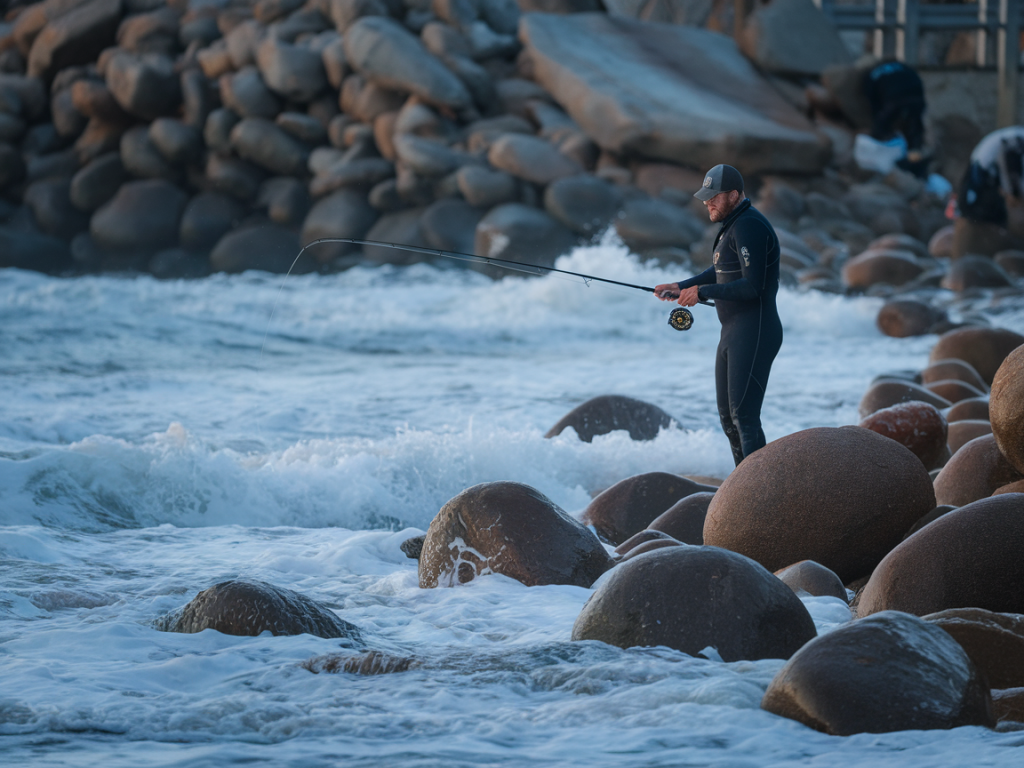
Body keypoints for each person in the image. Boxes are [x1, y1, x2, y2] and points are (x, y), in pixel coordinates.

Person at [654, 164, 782, 467]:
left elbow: (752, 285)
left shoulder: (749, 225)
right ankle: (742, 488)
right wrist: (683, 286)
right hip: (734, 331)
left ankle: (757, 493)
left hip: (755, 329)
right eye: (705, 197)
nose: (707, 202)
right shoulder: (735, 225)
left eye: (714, 196)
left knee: (744, 418)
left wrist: (702, 293)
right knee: (728, 419)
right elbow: (722, 270)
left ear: (734, 195)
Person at [862, 60, 928, 177]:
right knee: (914, 129)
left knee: (881, 130)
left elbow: (872, 103)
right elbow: (918, 81)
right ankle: (915, 157)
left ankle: (887, 166)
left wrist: (878, 122)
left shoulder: (870, 74)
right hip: (915, 96)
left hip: (893, 100)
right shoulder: (903, 66)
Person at [957, 125, 1024, 227]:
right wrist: (1013, 192)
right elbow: (1009, 156)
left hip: (987, 172)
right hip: (985, 172)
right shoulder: (1016, 138)